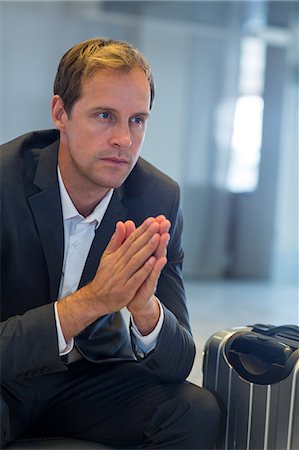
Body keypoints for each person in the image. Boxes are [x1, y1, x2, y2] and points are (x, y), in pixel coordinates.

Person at [0, 37, 221, 449]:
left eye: (137, 120)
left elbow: (177, 362)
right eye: (105, 115)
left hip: (84, 380)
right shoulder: (4, 183)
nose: (124, 139)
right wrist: (93, 301)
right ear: (60, 113)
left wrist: (145, 310)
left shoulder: (156, 198)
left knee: (195, 412)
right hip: (5, 377)